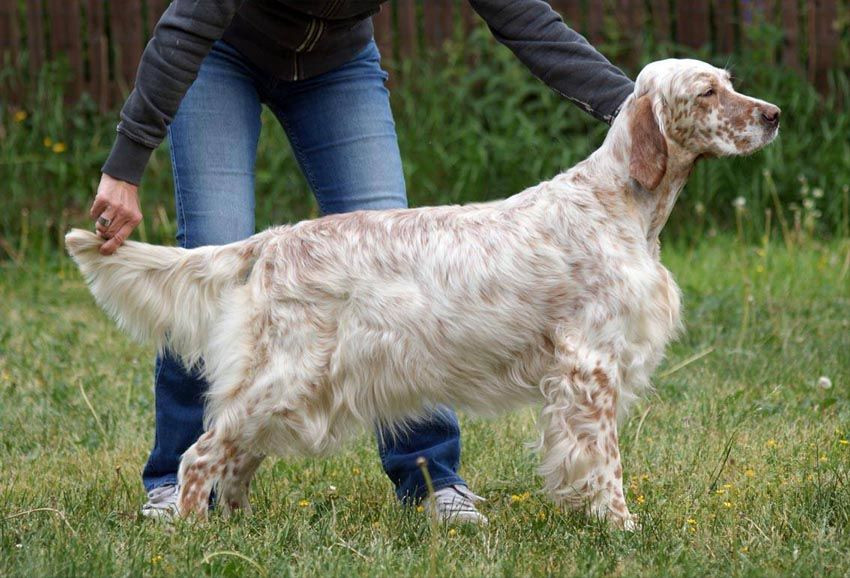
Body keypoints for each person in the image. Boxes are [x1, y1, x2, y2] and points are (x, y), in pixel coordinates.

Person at [89, 0, 634, 524]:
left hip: (337, 64)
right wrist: (126, 165)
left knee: (402, 262)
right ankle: (178, 479)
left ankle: (430, 478)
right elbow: (186, 25)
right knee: (214, 234)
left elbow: (527, 19)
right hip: (222, 52)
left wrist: (643, 110)